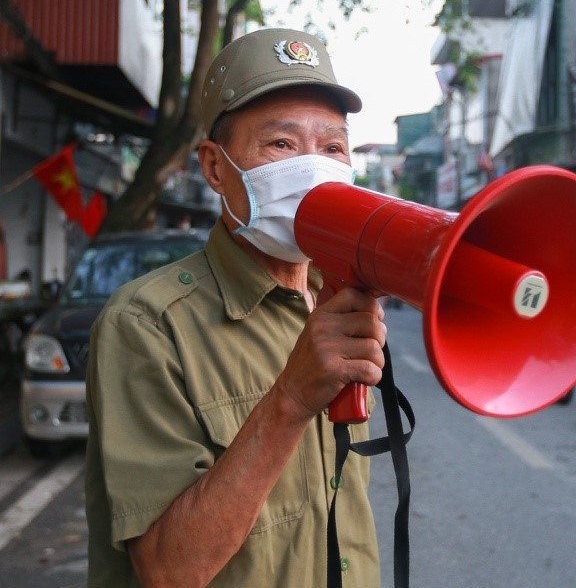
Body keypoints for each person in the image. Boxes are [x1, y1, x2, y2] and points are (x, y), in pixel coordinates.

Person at [84, 29, 385, 587]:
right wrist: (291, 400)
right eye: (281, 144)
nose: (314, 167)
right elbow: (169, 572)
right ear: (216, 168)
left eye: (333, 147)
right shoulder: (147, 324)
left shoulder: (336, 301)